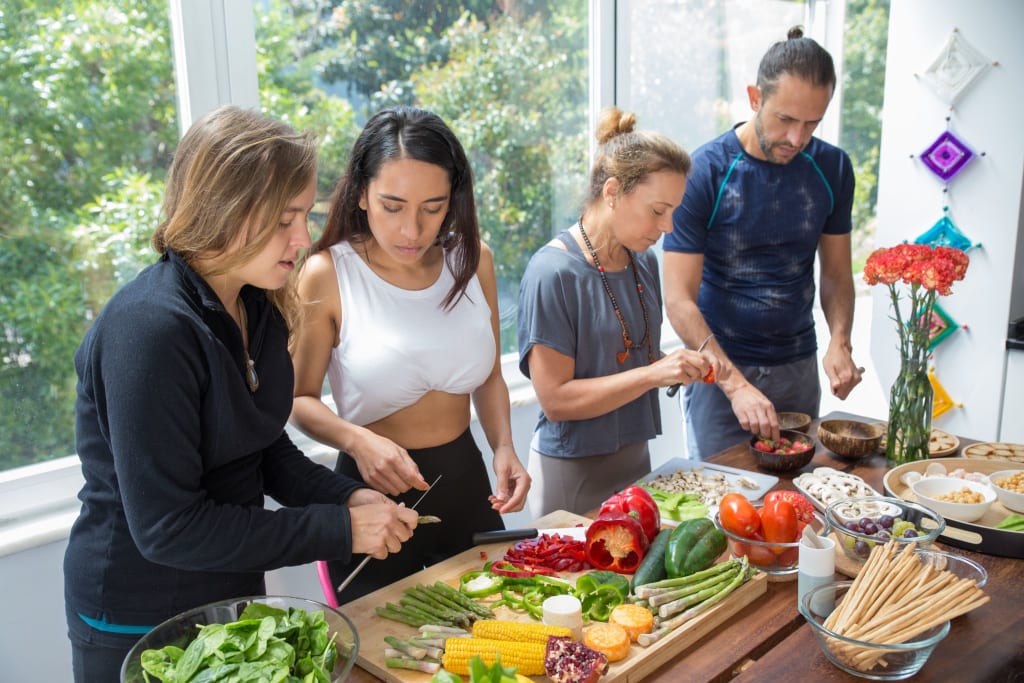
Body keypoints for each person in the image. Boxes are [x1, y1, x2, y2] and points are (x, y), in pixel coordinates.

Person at [62, 106, 418, 682]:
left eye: (303, 215)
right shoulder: (149, 330)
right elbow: (168, 528)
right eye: (284, 219)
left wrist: (346, 498)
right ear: (222, 209)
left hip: (229, 590)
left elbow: (260, 444)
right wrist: (337, 531)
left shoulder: (257, 303)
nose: (302, 239)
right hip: (140, 613)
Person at [289, 105, 530, 602]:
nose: (412, 231)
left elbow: (487, 377)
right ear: (360, 194)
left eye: (433, 207)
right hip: (371, 493)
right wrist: (357, 441)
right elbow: (298, 399)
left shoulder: (472, 259)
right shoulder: (327, 273)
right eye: (393, 206)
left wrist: (503, 445)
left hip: (466, 481)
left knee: (494, 632)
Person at [663, 26, 863, 461]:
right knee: (720, 504)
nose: (797, 138)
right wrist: (733, 384)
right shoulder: (706, 171)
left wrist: (840, 341)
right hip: (719, 371)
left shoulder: (833, 168)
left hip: (798, 366)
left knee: (790, 503)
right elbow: (678, 299)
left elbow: (834, 275)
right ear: (755, 98)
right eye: (785, 120)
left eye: (812, 123)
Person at [517, 106, 718, 518]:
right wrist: (654, 373)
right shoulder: (552, 273)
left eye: (674, 212)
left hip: (635, 462)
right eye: (658, 210)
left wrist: (673, 365)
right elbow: (554, 399)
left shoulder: (643, 262)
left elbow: (624, 355)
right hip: (570, 473)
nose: (669, 228)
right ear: (612, 192)